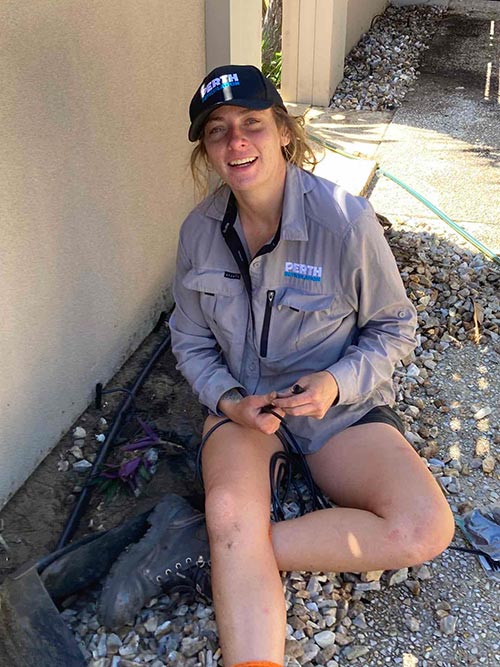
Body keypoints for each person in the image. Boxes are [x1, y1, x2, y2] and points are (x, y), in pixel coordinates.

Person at [99, 65, 454, 667]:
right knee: (232, 516)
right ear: (207, 150)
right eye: (218, 131)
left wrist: (337, 382)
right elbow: (187, 339)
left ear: (284, 131)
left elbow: (395, 327)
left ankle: (209, 548)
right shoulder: (198, 233)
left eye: (252, 124)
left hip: (336, 412)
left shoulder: (345, 222)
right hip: (243, 413)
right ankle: (229, 551)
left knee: (424, 528)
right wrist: (229, 399)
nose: (236, 142)